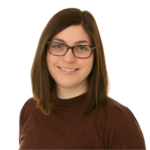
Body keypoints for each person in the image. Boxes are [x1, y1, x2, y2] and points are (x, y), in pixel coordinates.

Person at [18, 7, 146, 150]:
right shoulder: (30, 109)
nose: (68, 59)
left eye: (81, 48)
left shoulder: (117, 119)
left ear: (95, 56)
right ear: (44, 51)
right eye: (58, 45)